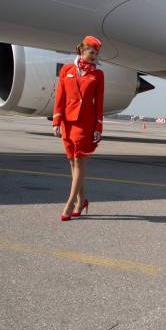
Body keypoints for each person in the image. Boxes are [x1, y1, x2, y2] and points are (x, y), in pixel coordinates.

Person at [52, 35, 104, 221]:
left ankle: (70, 202)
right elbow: (60, 97)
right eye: (92, 52)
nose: (94, 56)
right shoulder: (67, 70)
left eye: (96, 53)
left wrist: (98, 126)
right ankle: (82, 201)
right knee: (72, 163)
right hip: (67, 121)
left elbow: (99, 103)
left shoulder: (98, 74)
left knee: (79, 160)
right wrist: (56, 121)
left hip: (85, 123)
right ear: (82, 51)